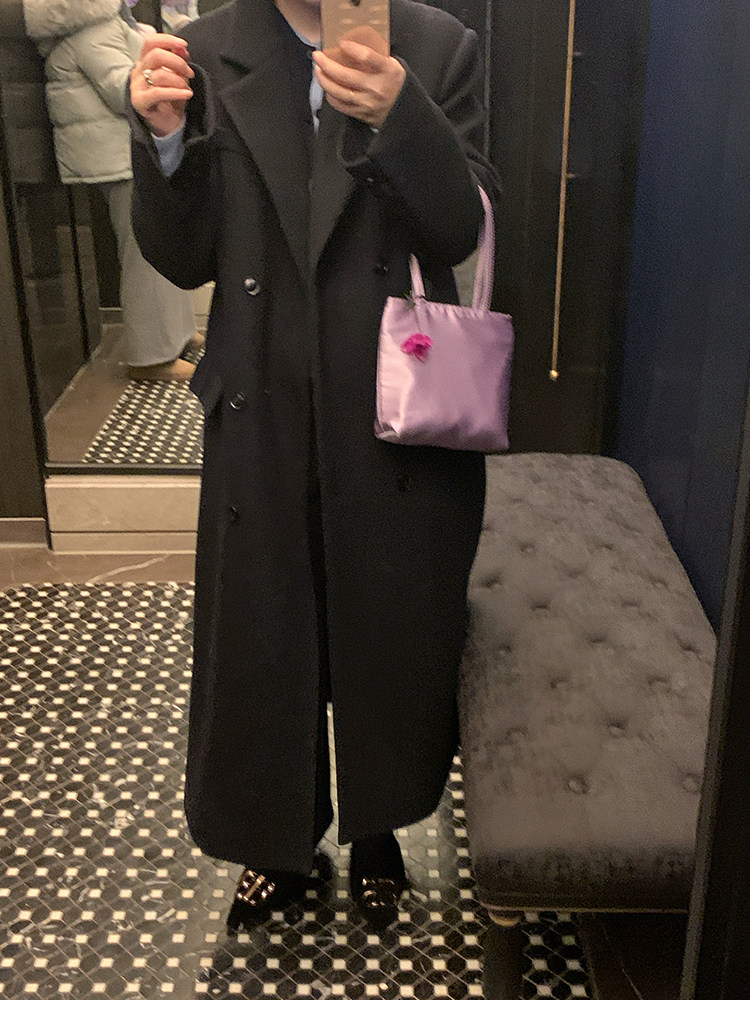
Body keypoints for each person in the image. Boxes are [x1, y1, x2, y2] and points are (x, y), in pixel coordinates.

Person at [128, 0, 500, 928]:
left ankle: (378, 831)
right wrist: (165, 140)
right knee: (266, 635)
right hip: (261, 403)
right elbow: (184, 257)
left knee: (384, 627)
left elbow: (458, 230)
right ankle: (277, 841)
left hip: (389, 407)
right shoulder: (209, 49)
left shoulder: (437, 46)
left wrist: (402, 118)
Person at [24, 0, 201, 383]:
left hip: (122, 152)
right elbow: (122, 91)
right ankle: (151, 356)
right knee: (144, 256)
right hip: (118, 156)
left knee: (160, 245)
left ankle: (177, 335)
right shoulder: (95, 30)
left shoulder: (104, 26)